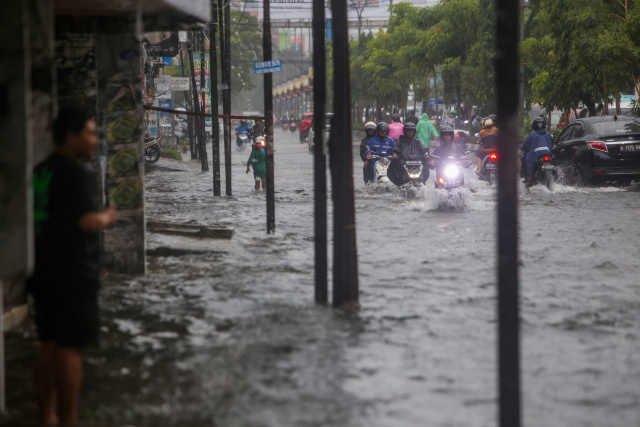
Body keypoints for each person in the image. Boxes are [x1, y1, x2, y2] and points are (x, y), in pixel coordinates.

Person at [27, 108, 119, 426]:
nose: (94, 140)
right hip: (72, 271)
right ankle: (68, 419)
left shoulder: (41, 171)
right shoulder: (76, 173)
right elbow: (87, 221)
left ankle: (45, 416)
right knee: (70, 348)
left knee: (48, 343)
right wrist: (109, 216)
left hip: (42, 267)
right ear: (71, 136)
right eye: (90, 133)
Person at [520, 116, 555, 183]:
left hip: (536, 156)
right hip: (548, 154)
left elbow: (525, 146)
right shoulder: (549, 135)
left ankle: (529, 178)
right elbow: (552, 143)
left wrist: (521, 146)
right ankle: (556, 178)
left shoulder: (532, 135)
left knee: (527, 161)